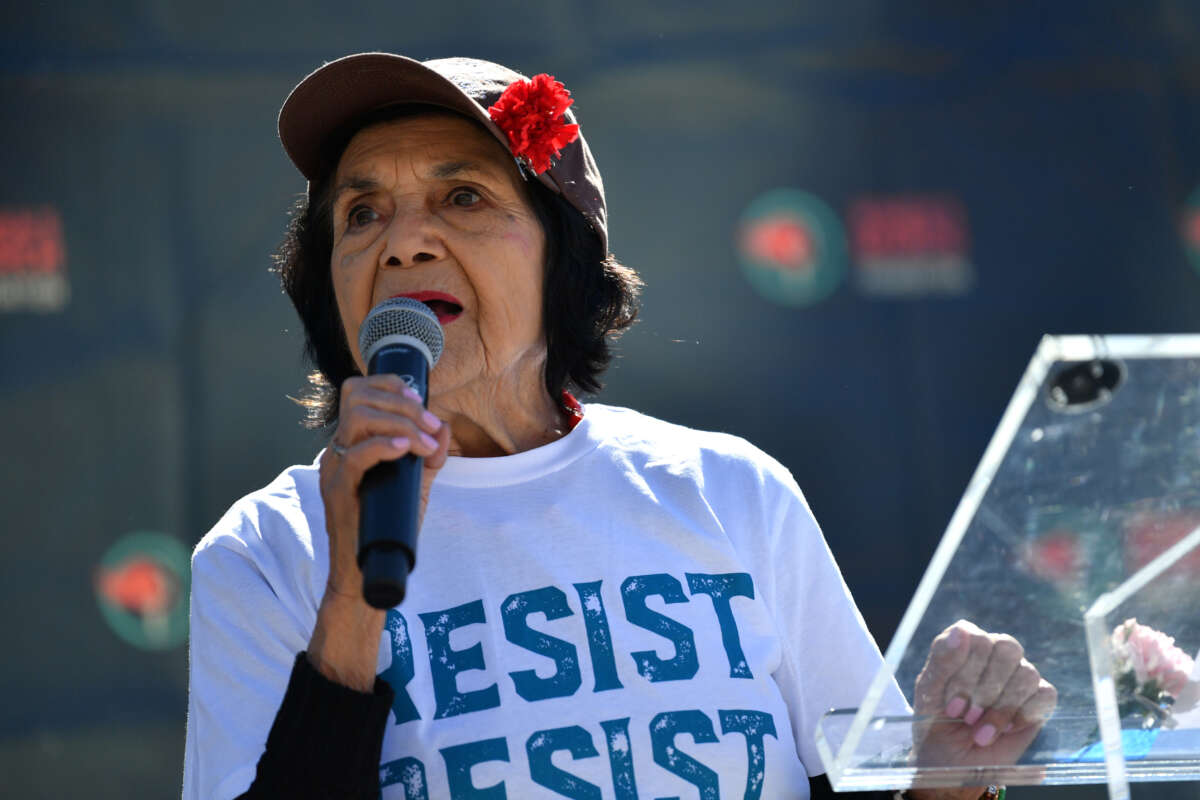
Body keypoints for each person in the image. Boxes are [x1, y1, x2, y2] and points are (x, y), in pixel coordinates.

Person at [183, 53, 1056, 800]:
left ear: (562, 253)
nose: (404, 243)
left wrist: (947, 780)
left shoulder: (730, 491)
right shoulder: (265, 553)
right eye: (362, 213)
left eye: (463, 197)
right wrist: (349, 598)